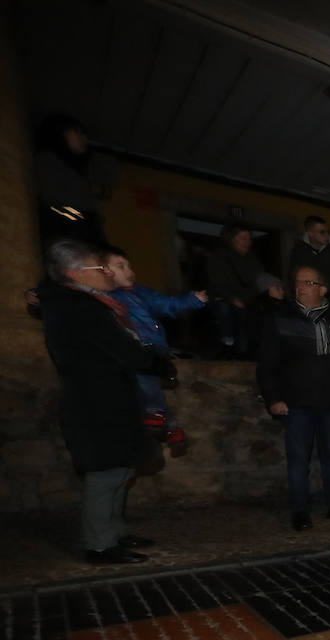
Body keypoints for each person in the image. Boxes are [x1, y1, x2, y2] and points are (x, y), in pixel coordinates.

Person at [38, 240, 163, 564]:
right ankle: (100, 545)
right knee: (105, 473)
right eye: (100, 268)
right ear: (74, 273)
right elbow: (123, 350)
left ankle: (115, 532)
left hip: (108, 396)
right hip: (96, 401)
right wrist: (156, 361)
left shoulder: (86, 303)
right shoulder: (78, 307)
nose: (107, 273)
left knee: (120, 470)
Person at [256, 264, 330, 531]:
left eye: (307, 283)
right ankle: (300, 510)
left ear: (322, 289)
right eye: (298, 283)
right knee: (297, 460)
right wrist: (273, 398)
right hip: (296, 404)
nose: (300, 288)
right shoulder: (281, 318)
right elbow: (267, 363)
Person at [105, 247, 208, 455]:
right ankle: (172, 429)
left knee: (144, 380)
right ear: (104, 271)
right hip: (124, 350)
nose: (129, 271)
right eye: (121, 266)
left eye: (128, 266)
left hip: (150, 346)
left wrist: (192, 300)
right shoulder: (98, 297)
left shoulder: (140, 293)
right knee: (141, 393)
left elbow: (166, 304)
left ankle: (156, 413)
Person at [34, 115, 104, 245]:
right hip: (70, 236)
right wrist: (81, 219)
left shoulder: (72, 169)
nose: (84, 138)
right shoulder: (46, 160)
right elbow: (51, 202)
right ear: (59, 132)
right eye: (77, 131)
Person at [205, 224, 264, 358]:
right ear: (232, 239)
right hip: (223, 299)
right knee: (226, 311)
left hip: (246, 300)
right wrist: (232, 299)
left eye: (249, 239)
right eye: (243, 238)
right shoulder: (219, 257)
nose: (247, 242)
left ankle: (244, 351)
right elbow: (217, 283)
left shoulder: (252, 259)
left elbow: (258, 281)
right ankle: (227, 346)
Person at [288, 215, 330, 317]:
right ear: (310, 233)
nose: (327, 235)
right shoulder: (299, 251)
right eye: (322, 232)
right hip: (307, 304)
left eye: (327, 231)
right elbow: (292, 277)